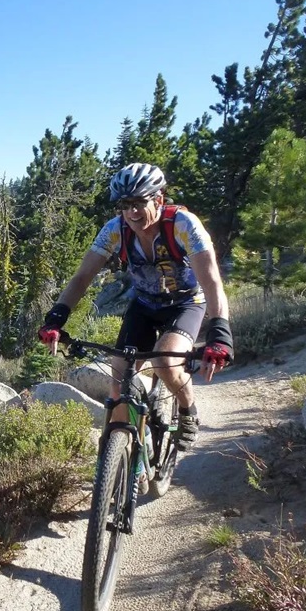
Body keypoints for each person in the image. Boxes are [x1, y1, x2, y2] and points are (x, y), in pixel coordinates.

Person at [38, 162, 233, 451]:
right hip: (143, 304)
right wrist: (56, 318)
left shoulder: (184, 225)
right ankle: (122, 456)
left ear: (158, 199)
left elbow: (212, 282)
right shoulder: (115, 230)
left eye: (139, 203)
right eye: (125, 205)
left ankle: (187, 409)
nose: (132, 212)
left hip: (185, 303)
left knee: (165, 363)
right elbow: (82, 277)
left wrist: (220, 334)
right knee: (119, 378)